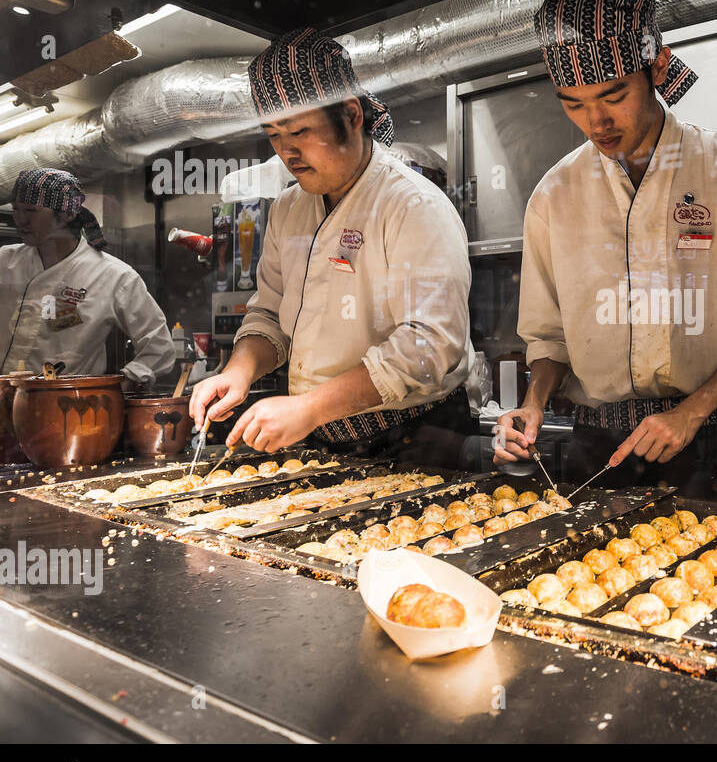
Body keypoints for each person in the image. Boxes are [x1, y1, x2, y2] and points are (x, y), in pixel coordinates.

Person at [493, 0, 717, 499]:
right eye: (572, 103)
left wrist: (690, 412)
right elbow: (549, 339)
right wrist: (534, 401)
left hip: (712, 433)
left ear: (657, 67)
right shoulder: (554, 194)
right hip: (599, 439)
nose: (596, 121)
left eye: (614, 95)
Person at [189, 28, 474, 464]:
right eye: (273, 135)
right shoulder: (289, 209)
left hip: (416, 438)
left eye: (301, 131)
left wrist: (307, 407)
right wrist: (237, 372)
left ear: (352, 116)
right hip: (322, 437)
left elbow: (428, 346)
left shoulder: (411, 204)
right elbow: (269, 314)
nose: (287, 151)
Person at [1, 168, 174, 387]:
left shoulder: (113, 276)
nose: (20, 220)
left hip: (65, 407)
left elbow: (158, 347)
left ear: (67, 215)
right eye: (16, 210)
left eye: (30, 211)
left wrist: (117, 386)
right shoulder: (4, 262)